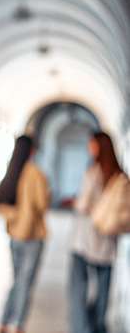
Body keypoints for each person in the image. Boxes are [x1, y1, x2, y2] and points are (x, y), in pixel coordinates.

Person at [68, 131, 122, 333]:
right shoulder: (116, 173)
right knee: (103, 285)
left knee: (78, 285)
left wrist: (74, 201)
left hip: (86, 238)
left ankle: (82, 326)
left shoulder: (94, 170)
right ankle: (99, 324)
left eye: (92, 145)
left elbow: (84, 203)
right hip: (107, 237)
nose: (89, 148)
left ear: (100, 147)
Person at [0, 135, 49, 333]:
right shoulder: (35, 174)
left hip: (15, 234)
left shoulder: (11, 171)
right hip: (33, 236)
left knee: (17, 280)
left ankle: (3, 321)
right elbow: (42, 204)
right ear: (32, 150)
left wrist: (14, 216)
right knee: (25, 282)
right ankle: (19, 324)